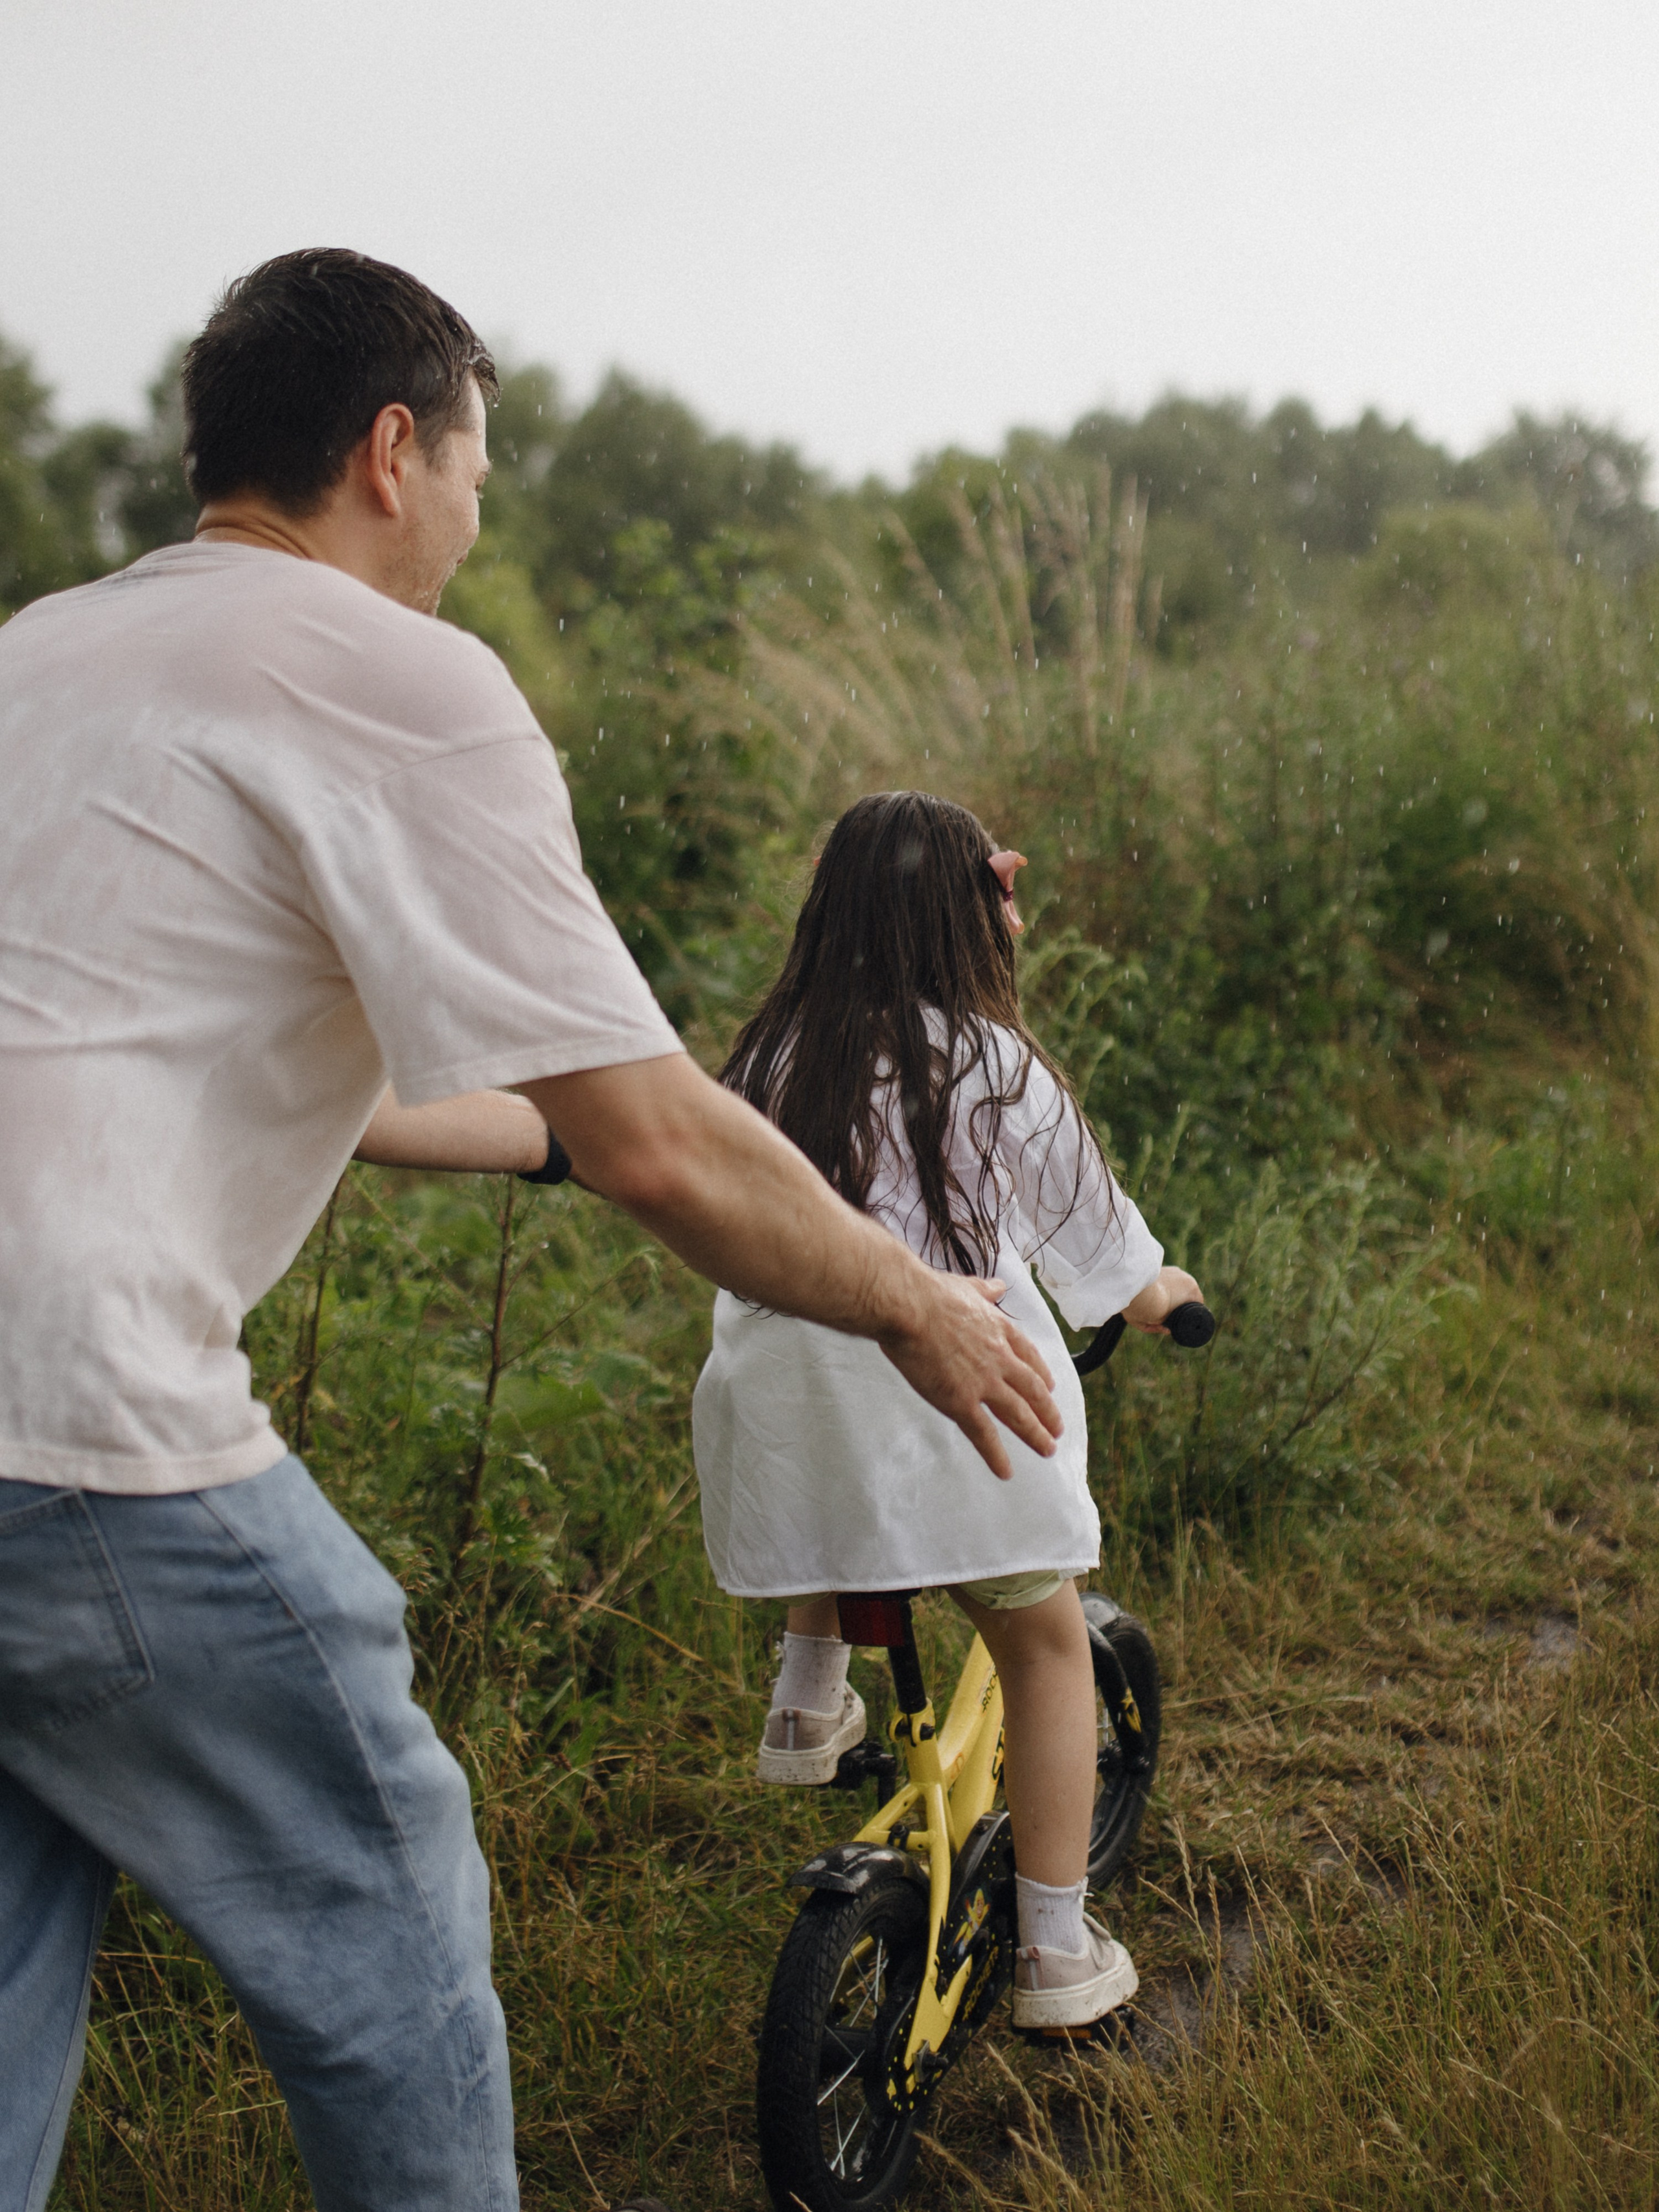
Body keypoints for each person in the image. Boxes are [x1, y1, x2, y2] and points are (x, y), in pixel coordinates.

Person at [0, 251, 1065, 2212]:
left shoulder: (43, 650)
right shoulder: (393, 673)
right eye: (481, 467)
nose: (482, 521)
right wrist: (915, 1301)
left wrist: (557, 1147)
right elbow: (667, 1136)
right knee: (388, 1934)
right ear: (393, 450)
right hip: (78, 1432)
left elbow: (294, 1075)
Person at [692, 791, 1202, 2032]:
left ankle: (808, 1695)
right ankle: (1053, 1950)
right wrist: (1165, 1292)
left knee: (831, 1435)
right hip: (952, 1404)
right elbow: (1112, 1265)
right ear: (970, 920)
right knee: (1046, 1646)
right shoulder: (991, 1066)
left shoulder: (767, 1055)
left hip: (783, 1415)